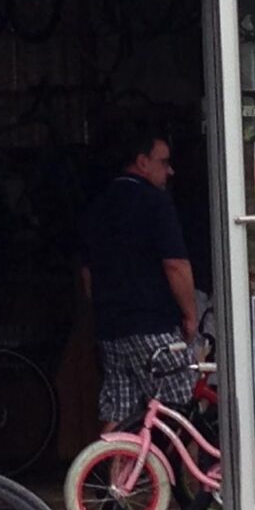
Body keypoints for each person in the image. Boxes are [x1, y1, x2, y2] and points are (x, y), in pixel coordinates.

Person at [78, 124, 199, 432]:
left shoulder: (97, 206)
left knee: (119, 409)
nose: (170, 171)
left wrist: (104, 310)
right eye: (163, 162)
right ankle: (189, 480)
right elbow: (176, 265)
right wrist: (190, 315)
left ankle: (109, 476)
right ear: (142, 162)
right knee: (181, 405)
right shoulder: (155, 202)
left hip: (111, 328)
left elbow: (87, 273)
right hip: (153, 326)